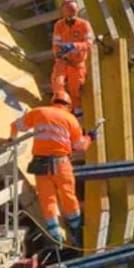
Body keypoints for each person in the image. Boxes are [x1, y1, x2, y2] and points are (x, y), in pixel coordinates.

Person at [10, 91, 96, 247]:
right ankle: (76, 228)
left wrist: (12, 141)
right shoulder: (71, 119)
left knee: (47, 197)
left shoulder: (39, 112)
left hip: (40, 164)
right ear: (68, 106)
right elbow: (80, 146)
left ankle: (56, 232)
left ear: (53, 102)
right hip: (61, 164)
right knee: (68, 195)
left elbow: (15, 125)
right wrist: (90, 137)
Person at [51, 0, 94, 118]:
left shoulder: (84, 25)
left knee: (75, 89)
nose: (71, 16)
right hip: (63, 61)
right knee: (57, 83)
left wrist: (74, 46)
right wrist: (58, 53)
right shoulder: (59, 25)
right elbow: (56, 43)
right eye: (69, 13)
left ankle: (77, 111)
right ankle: (59, 109)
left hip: (77, 63)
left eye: (73, 13)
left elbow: (89, 44)